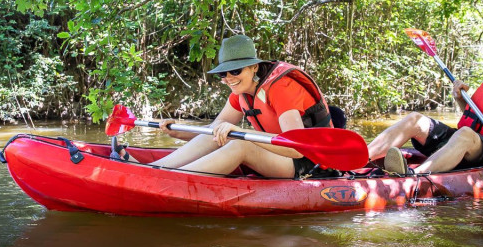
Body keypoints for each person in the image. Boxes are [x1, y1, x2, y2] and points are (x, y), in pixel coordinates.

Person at [118, 34, 335, 177]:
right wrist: (177, 133)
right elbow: (211, 132)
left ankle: (166, 178)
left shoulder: (281, 87)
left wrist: (240, 132)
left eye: (236, 71)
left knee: (240, 142)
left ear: (253, 67)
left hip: (309, 165)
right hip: (281, 158)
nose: (229, 78)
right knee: (219, 132)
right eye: (224, 73)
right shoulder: (241, 93)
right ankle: (154, 171)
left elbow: (296, 149)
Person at [368, 28, 483, 175]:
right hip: (467, 141)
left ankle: (413, 176)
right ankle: (356, 159)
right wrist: (460, 100)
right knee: (415, 119)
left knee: (465, 134)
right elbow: (474, 116)